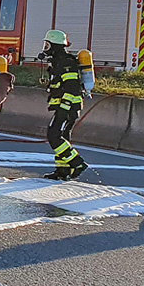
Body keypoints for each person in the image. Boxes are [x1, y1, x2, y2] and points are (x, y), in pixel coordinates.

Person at [40, 30, 89, 181]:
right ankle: (62, 171)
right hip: (63, 106)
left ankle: (77, 163)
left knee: (53, 136)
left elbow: (72, 88)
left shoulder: (66, 63)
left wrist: (64, 108)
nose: (45, 48)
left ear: (55, 46)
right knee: (63, 137)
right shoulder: (57, 62)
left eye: (48, 45)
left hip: (68, 107)